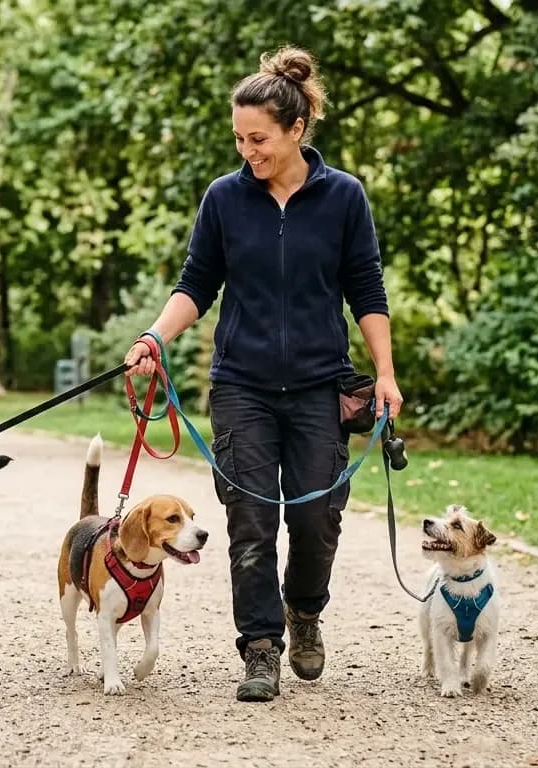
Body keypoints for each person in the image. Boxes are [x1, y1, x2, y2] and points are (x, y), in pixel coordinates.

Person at [121, 46, 403, 703]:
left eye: (259, 139)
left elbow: (366, 289)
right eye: (239, 139)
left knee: (316, 519)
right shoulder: (225, 198)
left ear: (296, 129)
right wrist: (153, 337)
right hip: (241, 385)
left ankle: (303, 610)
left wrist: (385, 374)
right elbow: (197, 282)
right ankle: (259, 647)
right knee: (249, 521)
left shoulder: (343, 197)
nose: (247, 151)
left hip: (318, 385)